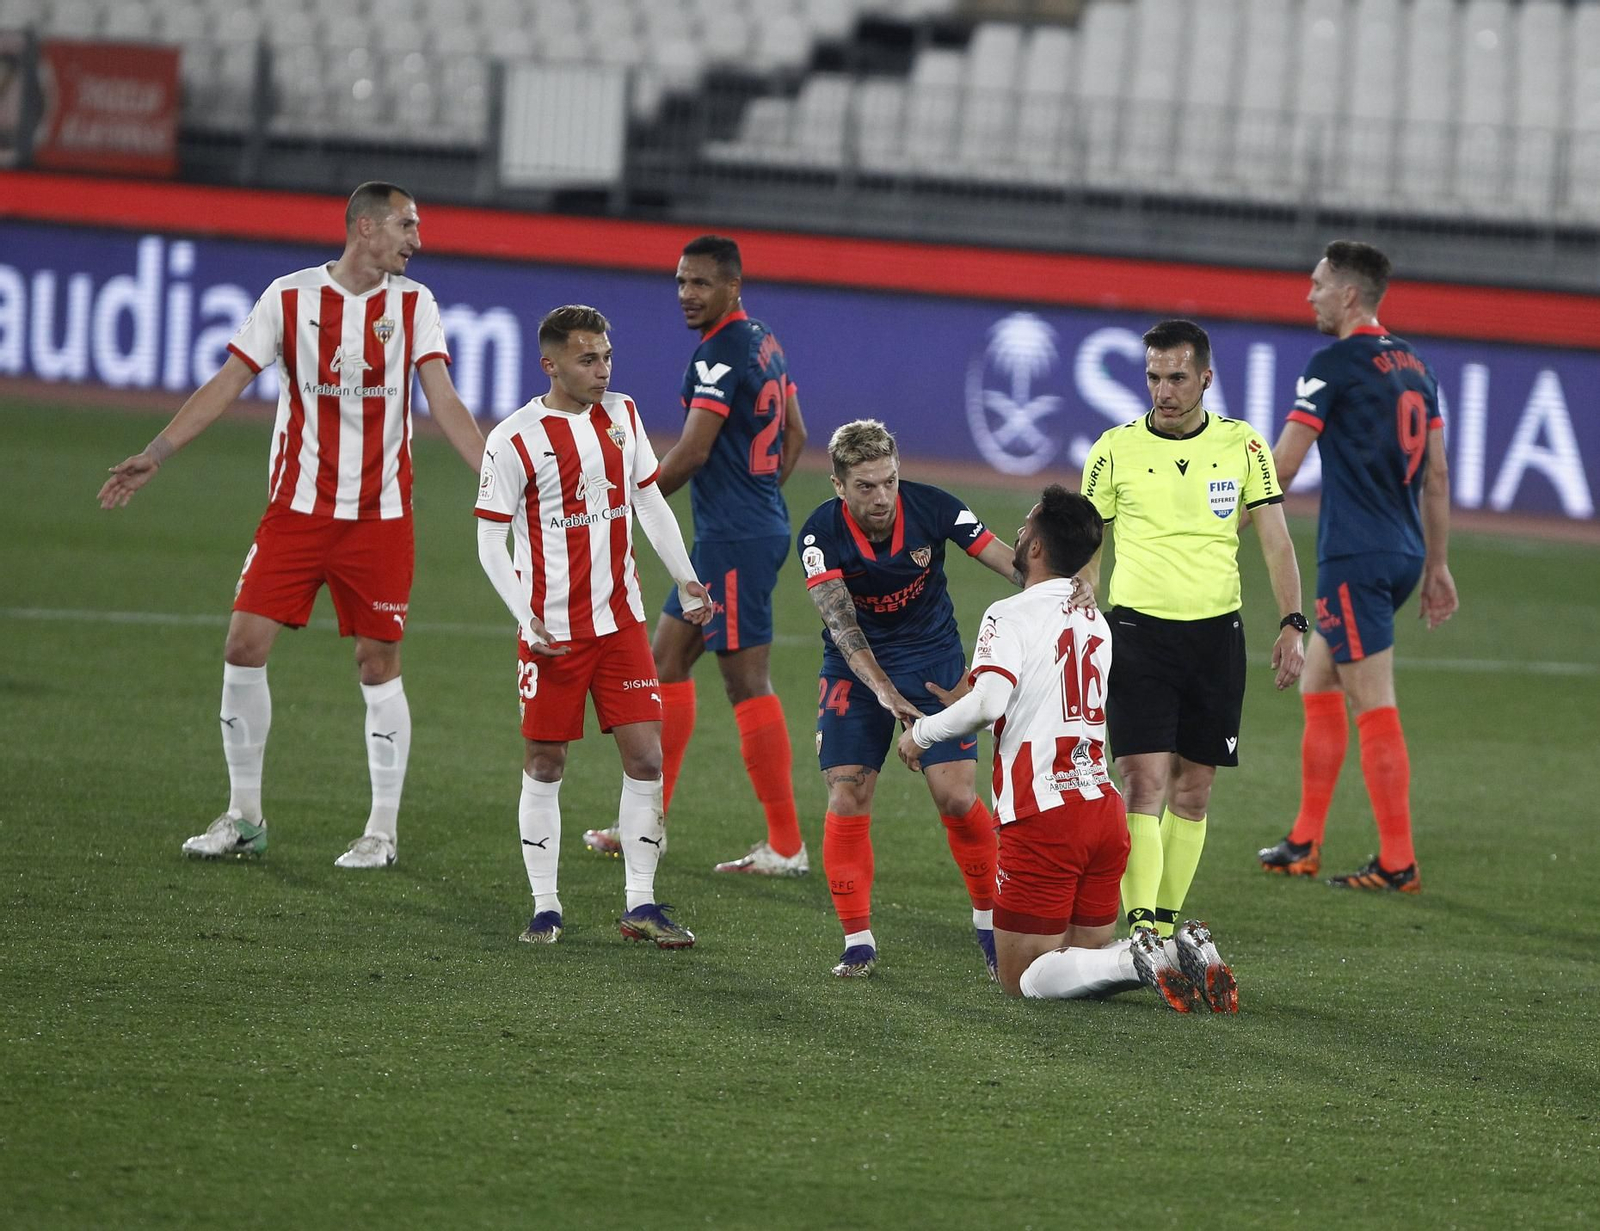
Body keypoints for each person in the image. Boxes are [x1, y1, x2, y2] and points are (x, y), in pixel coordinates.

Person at [98, 181, 486, 868]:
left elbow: (444, 399)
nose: (416, 240)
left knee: (377, 662)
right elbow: (227, 381)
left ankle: (381, 831)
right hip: (297, 512)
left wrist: (494, 472)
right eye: (406, 225)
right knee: (243, 645)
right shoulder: (289, 296)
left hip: (380, 516)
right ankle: (244, 815)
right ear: (365, 227)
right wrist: (156, 453)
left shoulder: (414, 304)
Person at [896, 486, 1237, 1013]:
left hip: (1043, 816)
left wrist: (921, 735)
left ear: (1035, 548)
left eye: (1026, 524)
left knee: (1021, 979)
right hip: (1102, 812)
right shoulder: (1094, 618)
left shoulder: (1007, 614)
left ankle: (1136, 959)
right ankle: (1171, 947)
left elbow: (990, 703)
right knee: (1078, 963)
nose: (1017, 531)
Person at [474, 305, 712, 948]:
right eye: (587, 359)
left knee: (646, 756)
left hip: (621, 624)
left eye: (606, 356)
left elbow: (649, 501)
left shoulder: (624, 415)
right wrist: (526, 617)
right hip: (551, 629)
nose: (602, 370)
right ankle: (545, 906)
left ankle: (642, 902)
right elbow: (490, 543)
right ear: (550, 364)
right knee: (546, 764)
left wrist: (686, 577)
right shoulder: (515, 439)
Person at [582, 235, 810, 876]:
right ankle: (646, 824)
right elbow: (795, 432)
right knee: (666, 660)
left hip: (733, 540)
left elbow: (692, 451)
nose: (686, 294)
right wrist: (761, 496)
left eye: (701, 283)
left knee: (744, 680)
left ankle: (787, 845)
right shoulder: (762, 338)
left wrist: (623, 505)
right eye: (681, 281)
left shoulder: (719, 353)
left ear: (732, 287)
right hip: (742, 531)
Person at [1080, 319, 1306, 937]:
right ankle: (1144, 932)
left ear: (1205, 378)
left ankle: (1166, 920)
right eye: (1154, 376)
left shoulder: (1244, 447)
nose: (1163, 390)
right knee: (1143, 781)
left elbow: (1277, 541)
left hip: (1214, 638)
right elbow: (1089, 550)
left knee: (1194, 790)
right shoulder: (1112, 450)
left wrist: (1292, 622)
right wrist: (1080, 605)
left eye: (1177, 377)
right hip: (1136, 634)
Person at [1257, 241, 1458, 892]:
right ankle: (1304, 840)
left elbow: (1282, 465)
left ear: (1348, 295)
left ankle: (1398, 861)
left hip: (1355, 555)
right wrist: (1437, 565)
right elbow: (1436, 474)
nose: (1308, 295)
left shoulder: (1333, 363)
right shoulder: (1417, 366)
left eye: (1317, 285)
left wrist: (1221, 521)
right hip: (1400, 551)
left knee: (1374, 701)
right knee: (1320, 682)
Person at [798, 419, 1020, 979]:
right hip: (857, 669)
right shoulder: (820, 534)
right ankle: (858, 941)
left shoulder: (935, 507)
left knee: (954, 795)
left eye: (889, 482)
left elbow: (1009, 562)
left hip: (933, 660)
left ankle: (991, 924)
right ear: (838, 486)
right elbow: (842, 628)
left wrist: (1064, 583)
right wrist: (886, 695)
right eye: (866, 486)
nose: (881, 497)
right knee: (848, 791)